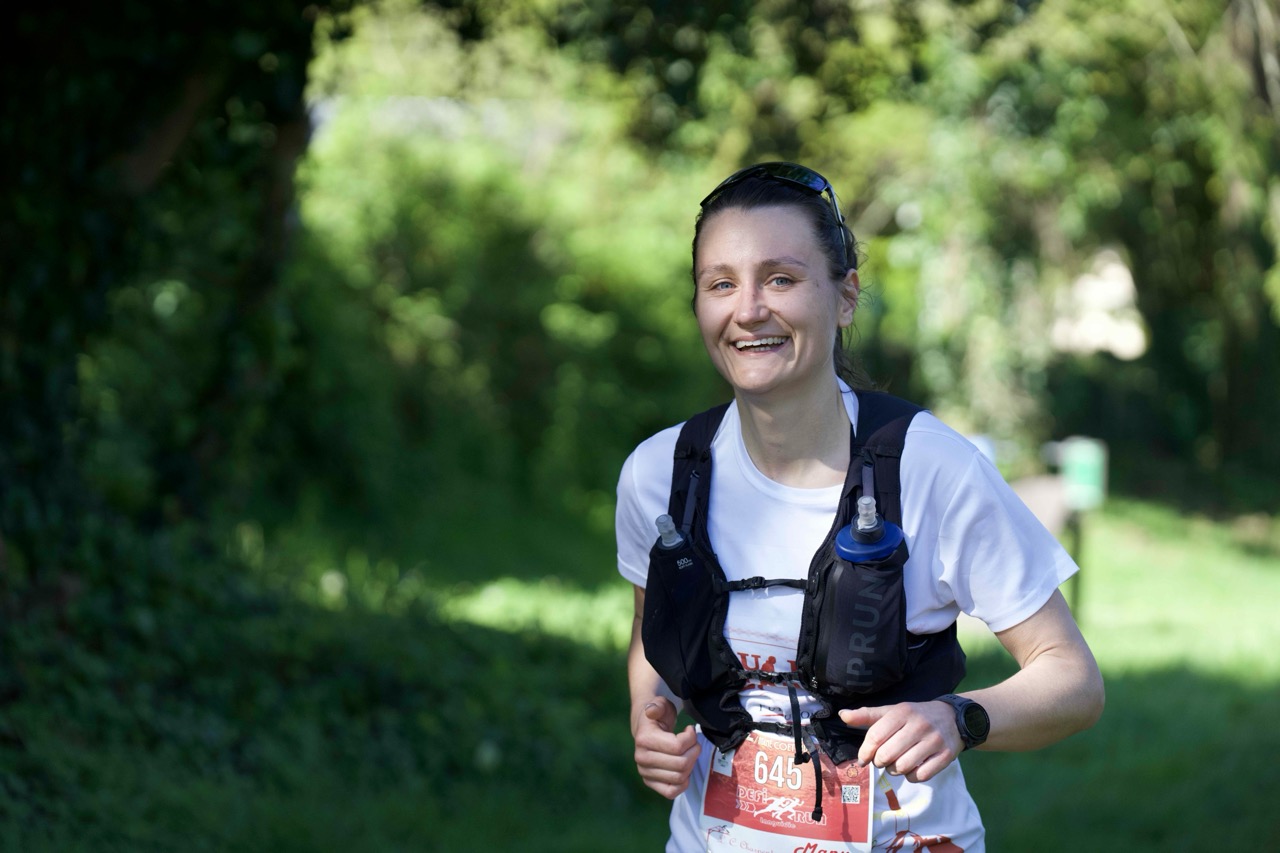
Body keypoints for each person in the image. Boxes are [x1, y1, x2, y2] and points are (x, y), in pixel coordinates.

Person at [615, 162, 1104, 852]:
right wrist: (650, 713)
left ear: (845, 297)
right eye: (721, 283)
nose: (748, 309)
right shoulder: (659, 474)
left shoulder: (932, 469)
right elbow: (651, 630)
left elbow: (1073, 678)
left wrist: (958, 717)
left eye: (780, 279)